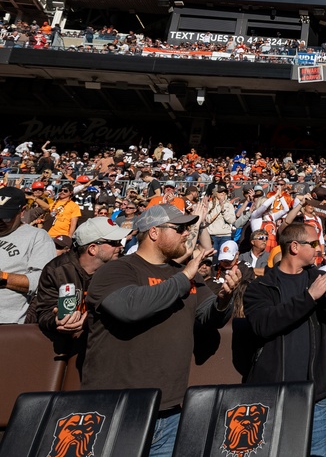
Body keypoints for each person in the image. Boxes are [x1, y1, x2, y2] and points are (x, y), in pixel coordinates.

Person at [83, 204, 241, 457]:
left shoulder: (184, 274)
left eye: (188, 229)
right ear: (154, 232)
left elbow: (208, 315)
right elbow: (130, 308)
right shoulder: (117, 269)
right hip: (118, 405)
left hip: (169, 407)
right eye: (179, 228)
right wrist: (184, 276)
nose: (186, 234)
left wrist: (224, 299)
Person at [242, 223, 326, 457]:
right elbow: (263, 325)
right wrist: (310, 297)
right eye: (313, 244)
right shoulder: (261, 287)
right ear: (294, 247)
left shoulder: (321, 279)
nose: (319, 248)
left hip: (314, 395)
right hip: (271, 395)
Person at [28, 218, 128, 361]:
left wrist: (89, 319)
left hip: (104, 347)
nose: (120, 246)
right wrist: (57, 320)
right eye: (114, 243)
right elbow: (44, 312)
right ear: (92, 248)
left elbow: (124, 310)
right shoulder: (56, 270)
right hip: (60, 350)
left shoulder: (121, 269)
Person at [0, 186, 57, 324]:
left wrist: (3, 277)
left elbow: (43, 281)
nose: (0, 222)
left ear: (22, 211)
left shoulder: (37, 236)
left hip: (7, 323)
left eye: (6, 218)